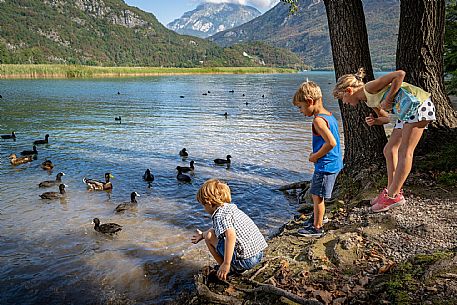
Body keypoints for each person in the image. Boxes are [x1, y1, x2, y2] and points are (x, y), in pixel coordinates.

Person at [332, 68, 436, 212]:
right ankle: (391, 189)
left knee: (405, 152)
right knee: (389, 149)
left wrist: (388, 99)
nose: (344, 103)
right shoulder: (369, 101)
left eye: (342, 98)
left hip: (418, 105)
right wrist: (375, 121)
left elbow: (400, 74)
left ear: (349, 90)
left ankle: (393, 196)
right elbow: (386, 118)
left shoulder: (369, 88)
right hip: (405, 112)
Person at [292, 80, 343, 237]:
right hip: (333, 163)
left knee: (317, 196)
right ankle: (319, 217)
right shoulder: (329, 116)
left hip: (325, 165)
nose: (300, 111)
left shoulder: (318, 121)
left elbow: (331, 143)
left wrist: (314, 156)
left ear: (309, 102)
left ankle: (317, 228)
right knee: (318, 195)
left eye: (300, 107)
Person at [191, 179, 267, 280]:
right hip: (259, 254)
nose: (204, 209)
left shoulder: (219, 216)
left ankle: (226, 268)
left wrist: (226, 263)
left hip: (246, 260)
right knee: (209, 233)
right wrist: (202, 234)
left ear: (209, 203)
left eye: (203, 205)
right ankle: (229, 264)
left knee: (209, 237)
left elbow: (231, 236)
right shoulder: (230, 209)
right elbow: (218, 229)